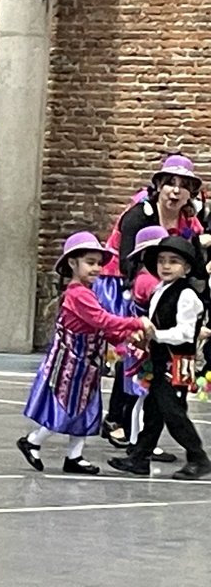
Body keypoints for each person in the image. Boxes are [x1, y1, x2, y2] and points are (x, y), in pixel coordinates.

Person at [17, 232, 152, 475]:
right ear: (72, 263)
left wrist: (123, 342)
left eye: (99, 263)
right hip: (69, 365)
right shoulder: (77, 294)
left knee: (86, 410)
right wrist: (135, 323)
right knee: (65, 409)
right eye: (90, 262)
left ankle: (74, 456)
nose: (97, 268)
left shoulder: (88, 292)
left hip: (87, 366)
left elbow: (102, 329)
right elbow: (102, 320)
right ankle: (33, 440)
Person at [99, 154, 206, 447]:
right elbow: (128, 264)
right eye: (170, 183)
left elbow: (195, 263)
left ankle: (142, 433)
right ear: (158, 186)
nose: (175, 191)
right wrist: (159, 294)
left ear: (191, 192)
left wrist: (197, 298)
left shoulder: (188, 221)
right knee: (133, 350)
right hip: (124, 284)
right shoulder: (139, 215)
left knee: (154, 356)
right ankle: (116, 419)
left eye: (183, 185)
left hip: (162, 287)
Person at [109, 236, 211, 480]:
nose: (166, 266)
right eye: (162, 261)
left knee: (173, 412)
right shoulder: (159, 291)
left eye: (173, 261)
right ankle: (140, 457)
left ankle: (198, 457)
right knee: (153, 411)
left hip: (177, 362)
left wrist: (155, 334)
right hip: (159, 360)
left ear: (187, 267)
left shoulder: (187, 295)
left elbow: (186, 333)